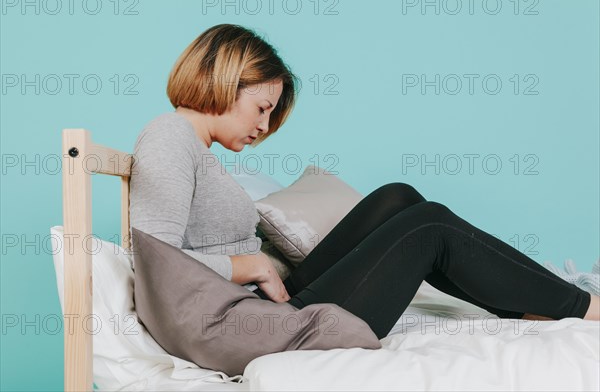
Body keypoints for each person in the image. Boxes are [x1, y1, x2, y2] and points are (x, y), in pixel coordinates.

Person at [129, 24, 599, 342]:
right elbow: (156, 264)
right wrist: (252, 265)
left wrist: (260, 266)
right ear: (223, 80)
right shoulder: (169, 137)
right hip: (250, 325)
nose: (264, 127)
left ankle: (526, 305)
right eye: (262, 108)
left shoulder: (195, 149)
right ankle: (582, 306)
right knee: (430, 228)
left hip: (259, 305)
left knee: (398, 198)